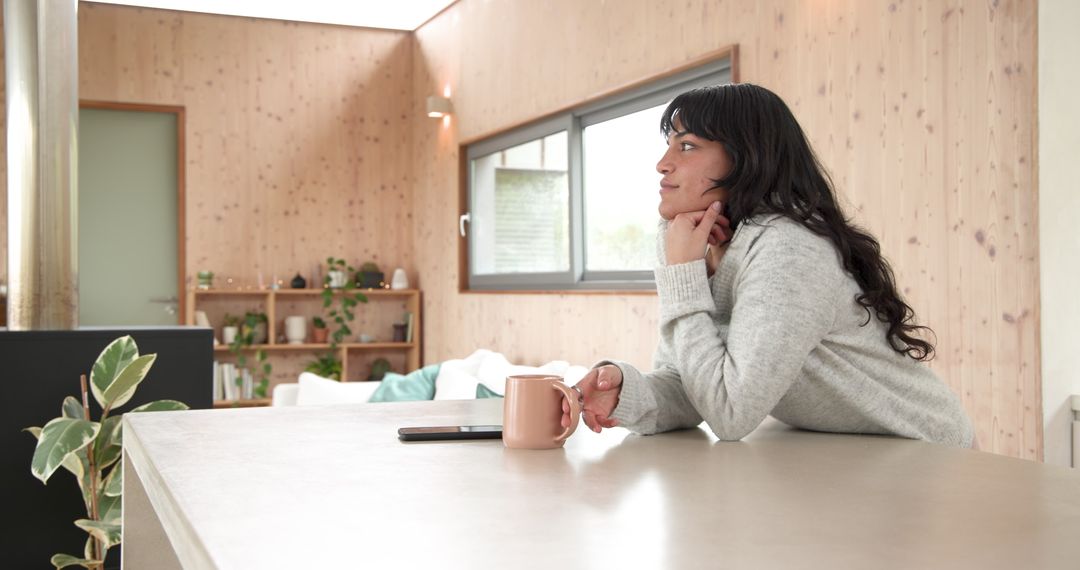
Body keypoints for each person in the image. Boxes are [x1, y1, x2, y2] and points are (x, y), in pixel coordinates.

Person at [565, 83, 975, 448]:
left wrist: (680, 276)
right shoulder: (689, 240)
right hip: (847, 456)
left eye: (686, 145)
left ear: (744, 157)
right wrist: (626, 393)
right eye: (669, 143)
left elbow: (729, 414)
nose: (663, 163)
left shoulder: (789, 248)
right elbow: (694, 387)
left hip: (925, 453)